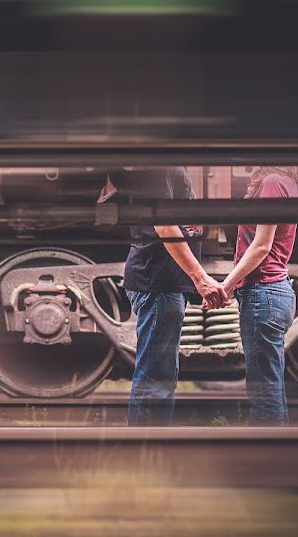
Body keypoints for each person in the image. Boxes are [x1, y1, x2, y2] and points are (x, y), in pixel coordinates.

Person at [120, 166, 226, 426]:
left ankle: (152, 448)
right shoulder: (160, 165)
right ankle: (146, 452)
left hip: (162, 283)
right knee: (156, 380)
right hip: (158, 282)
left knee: (161, 376)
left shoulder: (166, 164)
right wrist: (200, 278)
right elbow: (165, 227)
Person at [221, 166, 298, 426]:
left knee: (264, 393)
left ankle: (267, 457)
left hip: (263, 292)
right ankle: (280, 455)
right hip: (270, 292)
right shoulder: (283, 181)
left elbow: (262, 245)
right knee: (271, 389)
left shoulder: (273, 182)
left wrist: (227, 285)